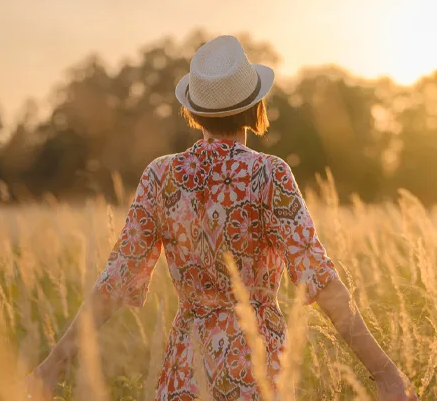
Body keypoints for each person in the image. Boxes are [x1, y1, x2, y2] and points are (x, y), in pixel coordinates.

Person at [28, 35, 417, 400]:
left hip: (186, 372)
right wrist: (384, 373)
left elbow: (113, 282)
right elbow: (322, 281)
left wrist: (51, 367)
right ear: (254, 106)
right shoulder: (270, 175)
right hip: (257, 373)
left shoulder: (160, 177)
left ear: (193, 111)